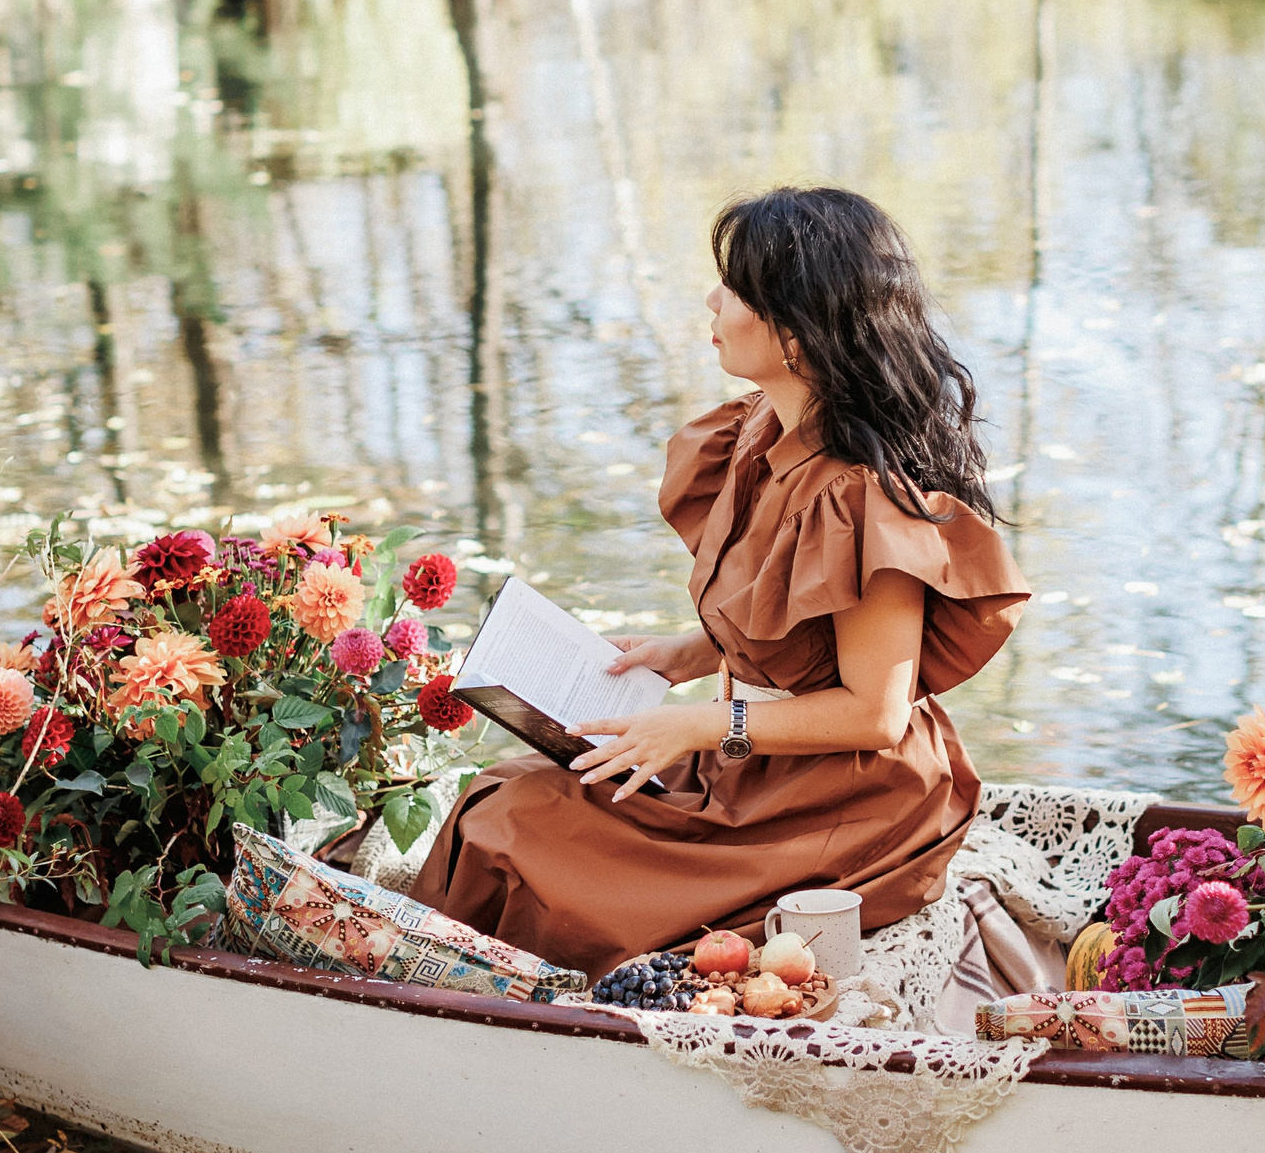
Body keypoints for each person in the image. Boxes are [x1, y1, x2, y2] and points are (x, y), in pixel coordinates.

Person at [410, 187, 1030, 981]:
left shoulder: (863, 496)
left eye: (734, 289)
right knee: (501, 794)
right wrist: (689, 652)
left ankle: (485, 1007)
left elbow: (875, 713)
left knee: (514, 833)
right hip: (750, 765)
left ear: (797, 333)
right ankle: (455, 996)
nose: (711, 300)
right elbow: (800, 619)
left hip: (843, 802)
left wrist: (703, 725)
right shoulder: (755, 433)